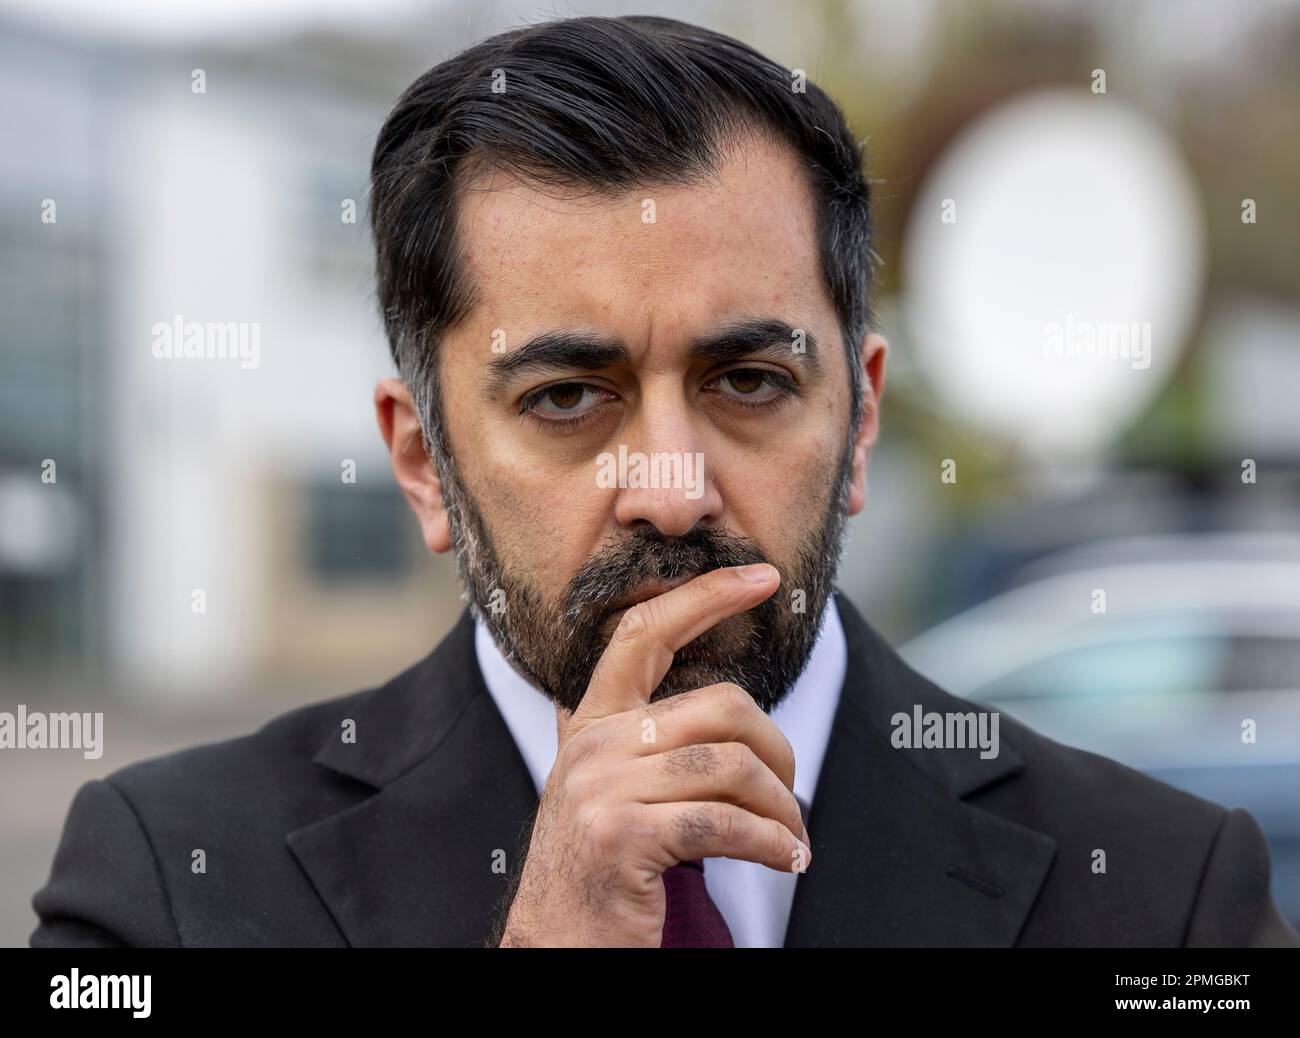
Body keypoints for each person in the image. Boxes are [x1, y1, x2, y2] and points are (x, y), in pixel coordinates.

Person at [30, 14, 1298, 948]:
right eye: (566, 398)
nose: (670, 487)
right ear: (423, 463)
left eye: (747, 381)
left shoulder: (1164, 898)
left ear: (856, 426)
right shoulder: (162, 893)